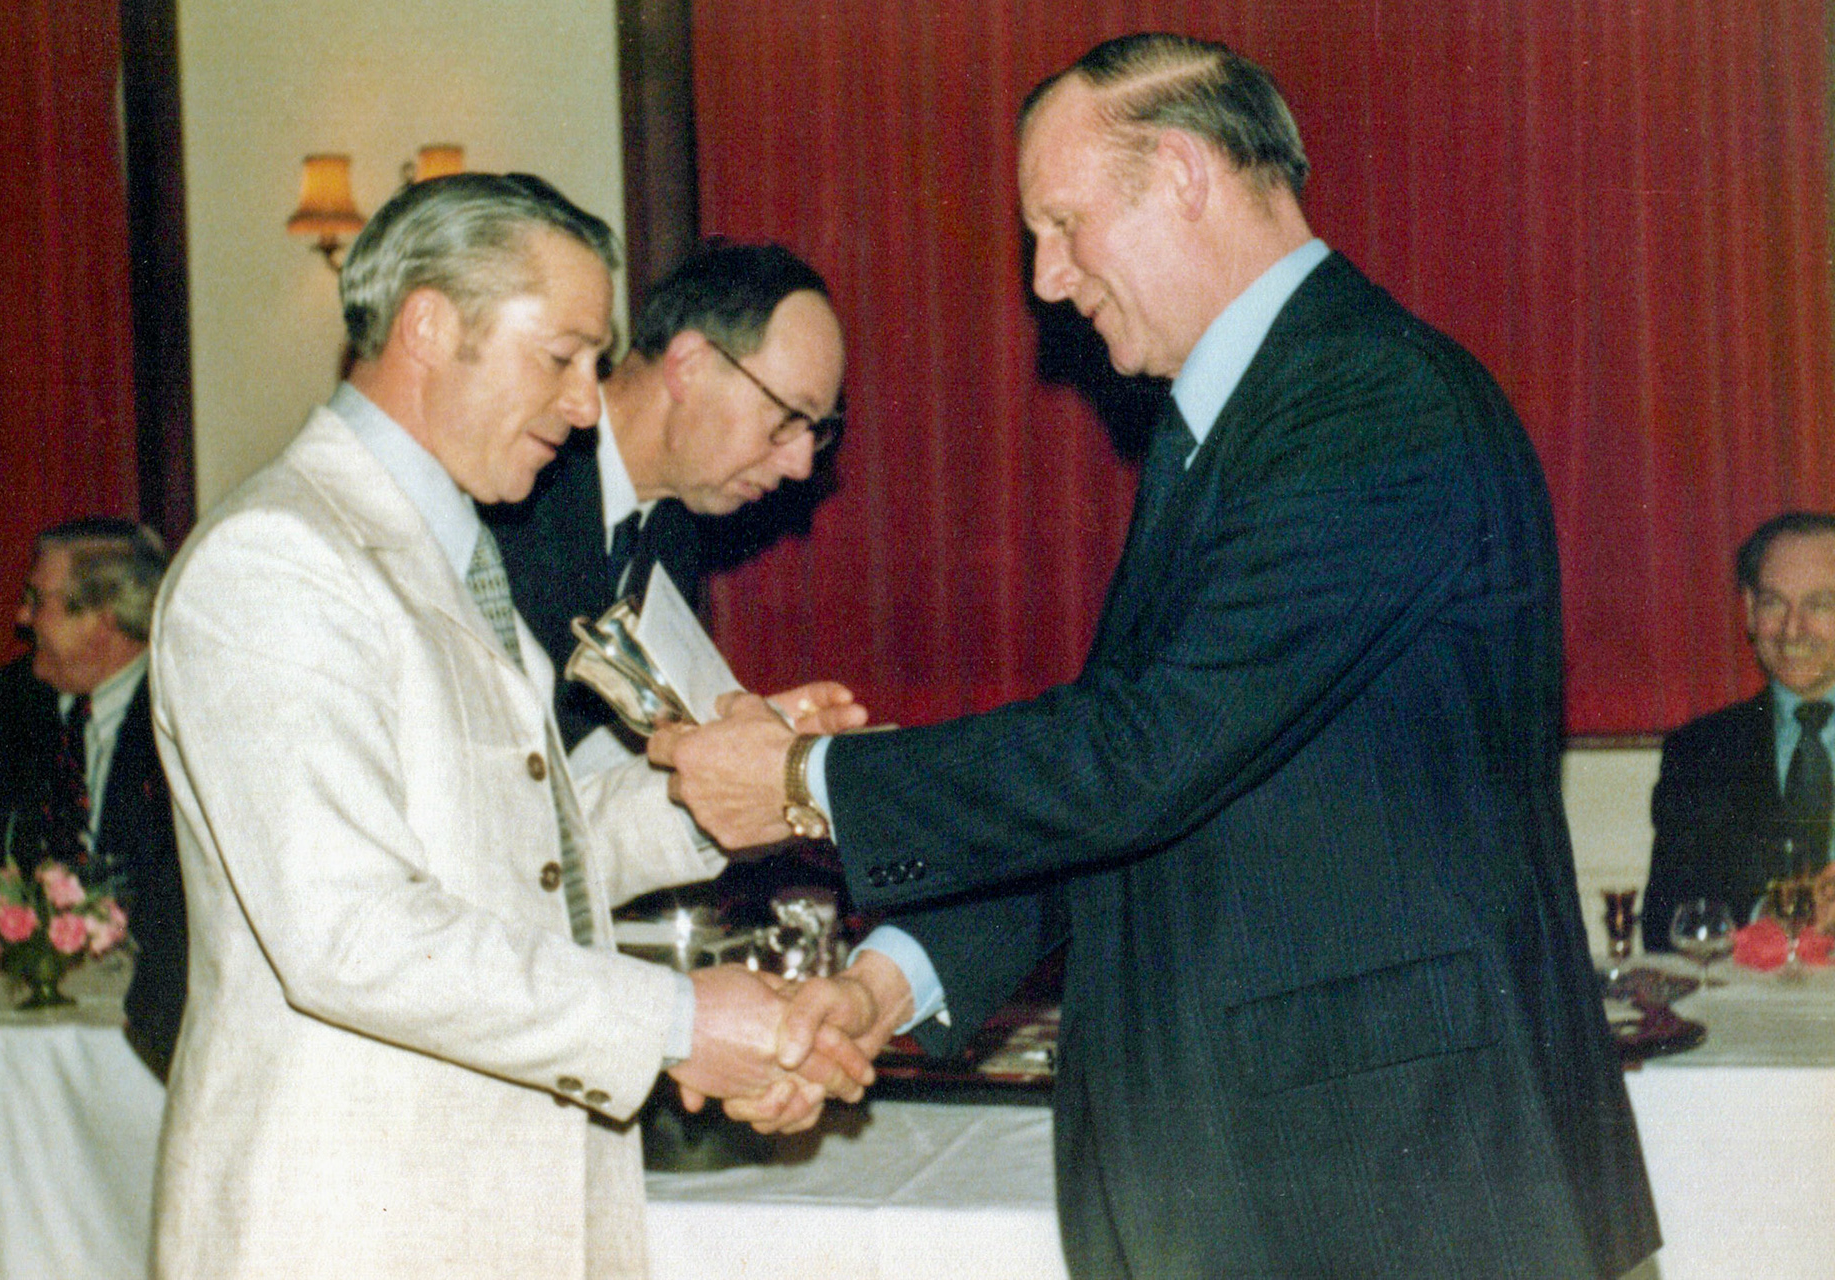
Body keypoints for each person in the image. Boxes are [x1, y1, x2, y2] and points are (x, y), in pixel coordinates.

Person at [652, 35, 1659, 1279]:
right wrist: (883, 985)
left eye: (1063, 224)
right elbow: (1137, 792)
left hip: (1397, 1189)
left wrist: (809, 779)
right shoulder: (1249, 417)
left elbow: (1147, 754)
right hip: (1297, 1179)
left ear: (1182, 173)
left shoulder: (1371, 403)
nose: (1047, 277)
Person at [146, 172, 868, 1278]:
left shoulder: (457, 552)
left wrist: (717, 786)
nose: (589, 405)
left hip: (495, 1202)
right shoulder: (280, 557)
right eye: (563, 357)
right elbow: (349, 933)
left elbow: (528, 851)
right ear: (430, 323)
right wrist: (677, 1018)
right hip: (346, 1220)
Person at [483, 239, 845, 750]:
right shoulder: (508, 490)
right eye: (788, 418)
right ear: (689, 365)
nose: (802, 463)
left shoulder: (673, 534)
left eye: (817, 430)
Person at [0, 518, 186, 1080]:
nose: (21, 618)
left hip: (152, 1008)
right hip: (34, 990)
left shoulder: (183, 707)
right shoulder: (16, 698)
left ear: (105, 620)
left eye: (38, 601)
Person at [1643, 511, 1835, 950]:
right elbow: (1663, 928)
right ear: (1749, 610)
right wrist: (1763, 920)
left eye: (1819, 605)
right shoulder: (1698, 752)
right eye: (1773, 603)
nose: (1792, 629)